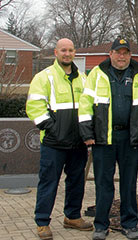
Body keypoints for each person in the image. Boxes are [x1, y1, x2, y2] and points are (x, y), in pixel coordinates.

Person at [78, 37, 138, 240]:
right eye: (118, 52)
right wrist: (86, 133)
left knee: (129, 183)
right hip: (103, 139)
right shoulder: (97, 74)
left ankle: (130, 225)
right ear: (111, 54)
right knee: (103, 184)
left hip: (130, 138)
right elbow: (85, 103)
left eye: (125, 53)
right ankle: (100, 226)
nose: (121, 56)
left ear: (130, 55)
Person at [26, 38, 93, 240]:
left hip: (77, 143)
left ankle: (72, 217)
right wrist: (52, 129)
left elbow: (89, 106)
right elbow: (34, 107)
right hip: (54, 143)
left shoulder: (83, 78)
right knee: (49, 183)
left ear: (75, 53)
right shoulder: (44, 77)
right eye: (63, 50)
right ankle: (42, 222)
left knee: (76, 182)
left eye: (71, 50)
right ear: (56, 52)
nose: (67, 53)